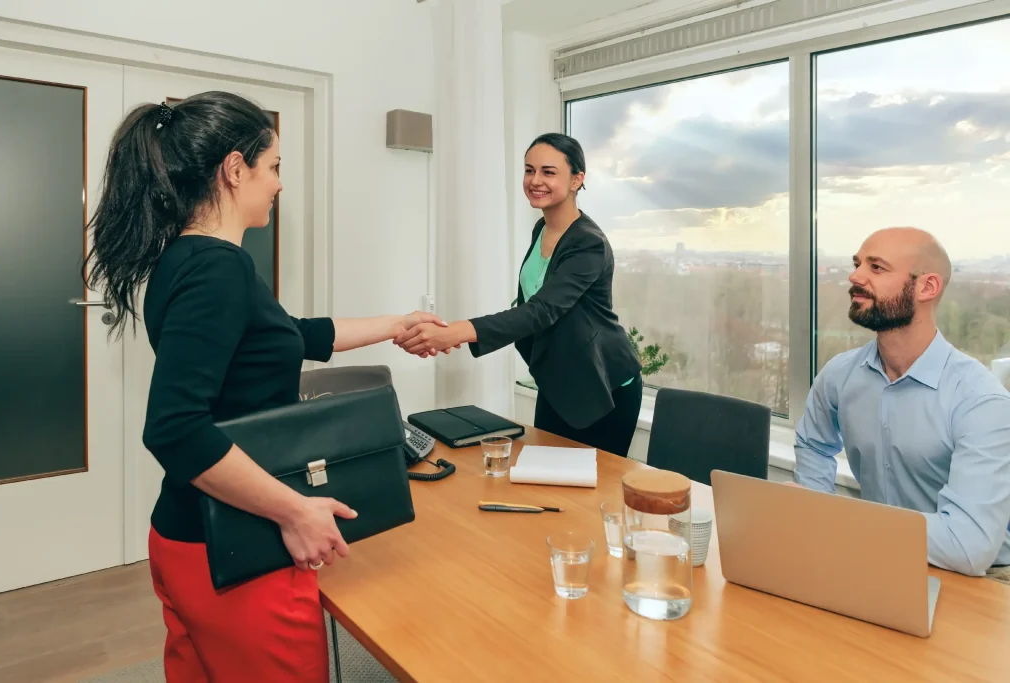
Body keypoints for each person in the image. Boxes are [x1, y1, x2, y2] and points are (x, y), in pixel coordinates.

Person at [83, 91, 444, 681]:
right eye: (273, 167)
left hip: (185, 534)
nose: (279, 184)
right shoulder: (218, 269)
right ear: (234, 168)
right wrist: (296, 511)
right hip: (234, 546)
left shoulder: (185, 259)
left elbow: (289, 334)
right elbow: (174, 428)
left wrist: (394, 324)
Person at [394, 133, 643, 457]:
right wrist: (455, 334)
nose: (535, 180)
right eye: (529, 170)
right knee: (546, 479)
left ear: (576, 180)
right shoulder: (542, 229)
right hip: (558, 380)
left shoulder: (588, 243)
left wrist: (455, 332)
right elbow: (528, 304)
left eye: (548, 172)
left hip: (602, 385)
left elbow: (541, 311)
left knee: (590, 493)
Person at [793, 227, 1010, 578]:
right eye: (858, 263)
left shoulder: (982, 402)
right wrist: (816, 508)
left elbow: (969, 546)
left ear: (927, 287)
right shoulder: (840, 375)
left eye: (876, 268)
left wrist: (833, 516)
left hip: (983, 580)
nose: (855, 276)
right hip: (881, 557)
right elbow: (813, 444)